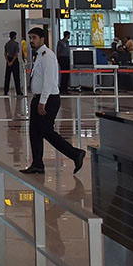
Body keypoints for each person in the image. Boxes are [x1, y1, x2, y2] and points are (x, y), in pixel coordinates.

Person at [20, 27, 86, 175]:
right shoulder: (39, 55)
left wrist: (42, 101)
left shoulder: (47, 56)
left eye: (34, 37)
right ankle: (37, 164)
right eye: (30, 37)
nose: (31, 40)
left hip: (48, 99)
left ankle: (75, 154)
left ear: (42, 39)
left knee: (46, 131)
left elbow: (49, 81)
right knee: (34, 132)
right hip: (39, 98)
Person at [3, 31, 23, 95]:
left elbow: (5, 54)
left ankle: (6, 91)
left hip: (8, 60)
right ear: (14, 36)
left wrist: (8, 62)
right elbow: (16, 54)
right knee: (16, 77)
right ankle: (18, 92)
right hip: (14, 61)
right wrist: (12, 62)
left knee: (7, 77)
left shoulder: (7, 44)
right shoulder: (16, 44)